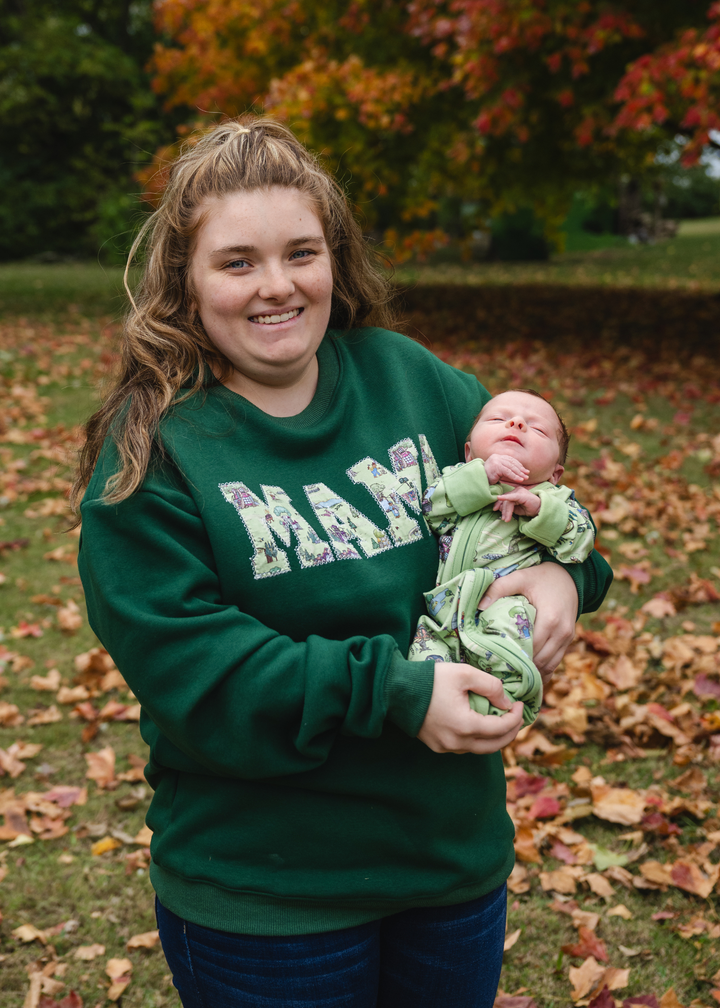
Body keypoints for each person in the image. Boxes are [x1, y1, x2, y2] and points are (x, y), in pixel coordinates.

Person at [73, 117, 613, 1008]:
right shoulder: (153, 454)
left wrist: (563, 576)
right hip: (269, 900)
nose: (277, 286)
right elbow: (197, 676)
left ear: (336, 260)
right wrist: (399, 692)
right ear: (187, 281)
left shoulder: (410, 379)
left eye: (302, 253)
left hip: (449, 867)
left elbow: (547, 516)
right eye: (237, 261)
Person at [409, 389, 596, 726]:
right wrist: (482, 477)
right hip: (443, 609)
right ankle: (447, 713)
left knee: (507, 641)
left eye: (537, 430)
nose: (517, 422)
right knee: (425, 662)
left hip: (505, 605)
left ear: (555, 473)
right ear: (468, 452)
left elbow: (580, 543)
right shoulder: (458, 482)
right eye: (498, 419)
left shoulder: (555, 500)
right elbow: (431, 508)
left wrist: (540, 509)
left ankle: (506, 703)